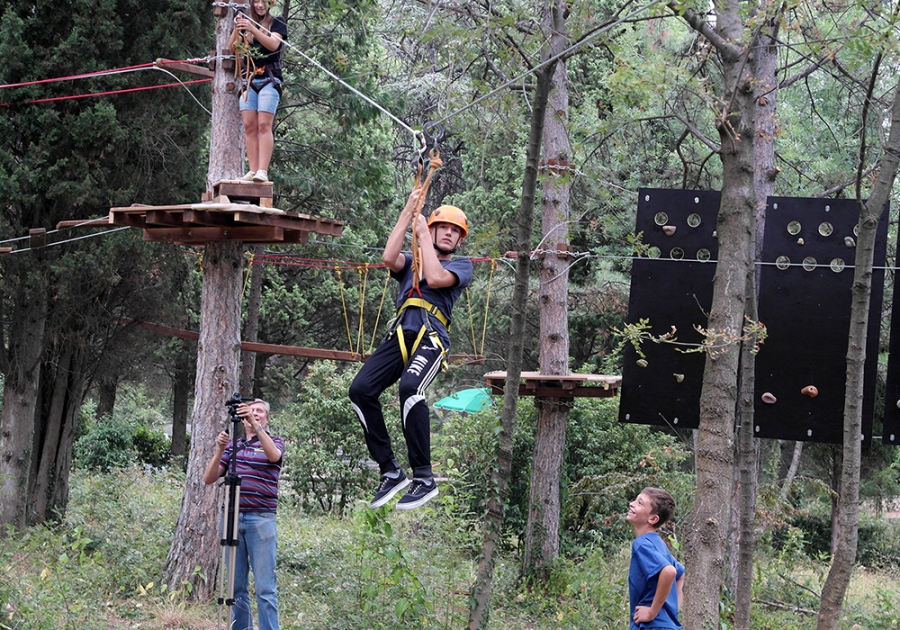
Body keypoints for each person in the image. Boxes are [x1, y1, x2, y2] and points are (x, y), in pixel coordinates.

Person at [349, 189, 472, 510]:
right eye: (443, 227)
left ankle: (424, 477)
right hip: (401, 333)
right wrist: (407, 213)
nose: (449, 233)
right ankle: (390, 471)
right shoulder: (409, 263)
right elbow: (389, 258)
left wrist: (420, 235)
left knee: (410, 388)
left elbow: (434, 276)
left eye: (455, 231)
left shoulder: (461, 265)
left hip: (432, 336)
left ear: (460, 241)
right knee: (360, 390)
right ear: (432, 230)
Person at [204, 398, 284, 630]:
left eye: (259, 412)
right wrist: (219, 449)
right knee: (236, 586)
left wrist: (254, 425)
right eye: (251, 411)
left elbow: (274, 457)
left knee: (265, 588)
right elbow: (209, 478)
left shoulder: (275, 442)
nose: (254, 414)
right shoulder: (234, 446)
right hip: (231, 518)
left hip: (261, 519)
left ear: (266, 419)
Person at [229, 0, 288, 184]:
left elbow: (272, 45)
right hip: (250, 79)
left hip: (270, 77)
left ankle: (262, 170)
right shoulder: (247, 23)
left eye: (263, 2)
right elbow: (233, 49)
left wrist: (252, 29)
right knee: (249, 125)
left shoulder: (277, 22)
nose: (259, 5)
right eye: (256, 2)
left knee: (263, 124)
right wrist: (238, 27)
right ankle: (253, 170)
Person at [626, 487, 685, 629]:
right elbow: (680, 573)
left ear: (653, 519)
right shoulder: (659, 544)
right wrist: (672, 610)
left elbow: (670, 571)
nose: (631, 504)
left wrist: (652, 612)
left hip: (651, 625)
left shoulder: (641, 544)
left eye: (640, 503)